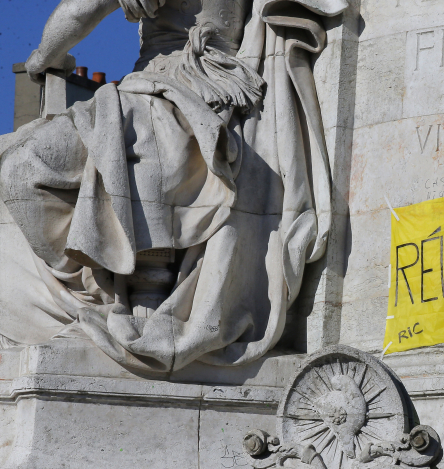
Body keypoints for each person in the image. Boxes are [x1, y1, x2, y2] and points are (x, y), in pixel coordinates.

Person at [0, 0, 346, 371]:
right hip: (205, 93)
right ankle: (97, 289)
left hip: (174, 92)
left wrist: (41, 58)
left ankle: (94, 298)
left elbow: (81, 11)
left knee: (21, 168)